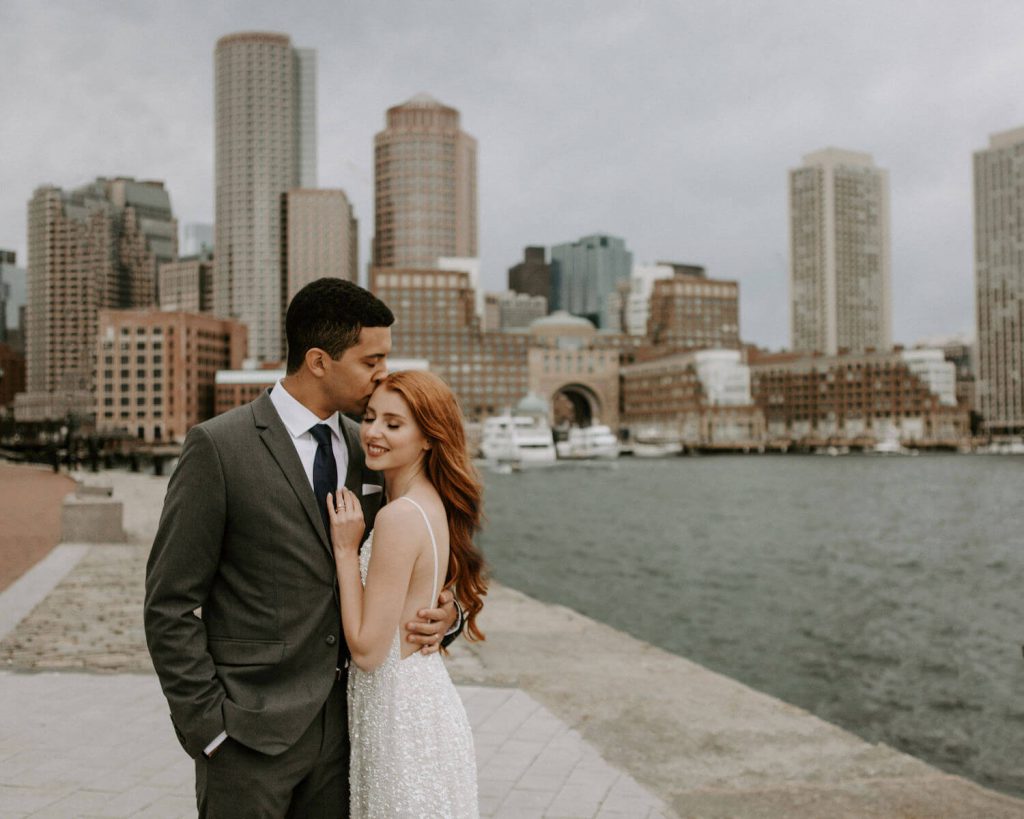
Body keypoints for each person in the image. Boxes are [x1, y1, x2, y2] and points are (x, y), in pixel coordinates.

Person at [144, 278, 461, 818]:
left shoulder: (373, 448)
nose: (382, 374)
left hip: (348, 737)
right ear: (319, 360)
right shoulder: (219, 448)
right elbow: (169, 603)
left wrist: (447, 612)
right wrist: (210, 730)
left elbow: (427, 544)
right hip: (247, 739)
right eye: (371, 361)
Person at [328, 369, 486, 817]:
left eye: (394, 425)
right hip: (421, 706)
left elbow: (367, 650)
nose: (373, 433)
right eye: (371, 417)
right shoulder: (432, 502)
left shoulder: (398, 518)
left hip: (400, 721)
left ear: (428, 438)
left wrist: (344, 548)